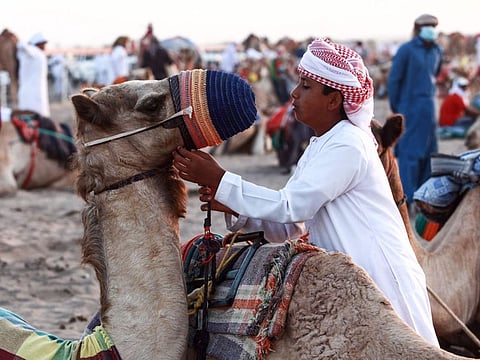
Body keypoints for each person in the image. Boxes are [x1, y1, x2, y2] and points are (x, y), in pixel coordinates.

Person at [172, 37, 439, 347]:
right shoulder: (320, 145)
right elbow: (293, 227)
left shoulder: (348, 144)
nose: (294, 93)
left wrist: (221, 179)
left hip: (383, 279)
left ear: (334, 99)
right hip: (348, 287)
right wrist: (232, 205)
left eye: (306, 86)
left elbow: (291, 206)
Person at [387, 14, 443, 210]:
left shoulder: (437, 51)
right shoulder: (406, 50)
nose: (431, 29)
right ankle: (408, 199)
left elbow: (435, 76)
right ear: (418, 28)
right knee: (410, 154)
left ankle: (424, 198)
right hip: (409, 107)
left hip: (429, 109)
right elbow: (394, 81)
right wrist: (398, 107)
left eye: (433, 26)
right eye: (427, 26)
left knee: (429, 154)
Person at [14, 32, 50, 117]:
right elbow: (21, 44)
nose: (44, 46)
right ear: (37, 43)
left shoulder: (37, 54)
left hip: (35, 92)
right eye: (43, 43)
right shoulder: (34, 51)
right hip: (31, 94)